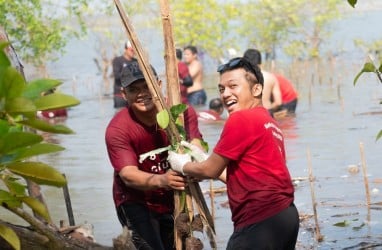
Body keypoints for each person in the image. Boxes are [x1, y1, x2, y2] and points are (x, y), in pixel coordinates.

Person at [168, 57, 299, 249]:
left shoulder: (240, 118)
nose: (225, 94)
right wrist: (202, 162)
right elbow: (246, 176)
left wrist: (183, 165)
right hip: (286, 216)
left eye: (233, 86)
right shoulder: (269, 121)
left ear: (256, 89)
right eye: (221, 89)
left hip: (260, 219)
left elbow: (210, 170)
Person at [105, 60, 204, 250]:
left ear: (158, 85)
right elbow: (128, 175)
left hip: (173, 196)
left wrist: (195, 165)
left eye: (147, 86)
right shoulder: (118, 129)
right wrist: (162, 180)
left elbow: (196, 145)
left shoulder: (181, 113)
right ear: (124, 94)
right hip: (136, 200)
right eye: (134, 89)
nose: (142, 94)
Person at [243, 48, 282, 115]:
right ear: (260, 63)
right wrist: (268, 110)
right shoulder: (271, 77)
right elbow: (278, 102)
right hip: (267, 113)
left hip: (249, 114)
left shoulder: (241, 78)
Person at [112, 41, 137, 109]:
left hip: (132, 95)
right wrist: (130, 76)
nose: (133, 52)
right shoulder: (117, 60)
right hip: (119, 95)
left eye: (134, 50)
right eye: (131, 50)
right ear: (125, 49)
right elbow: (117, 76)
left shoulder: (135, 61)